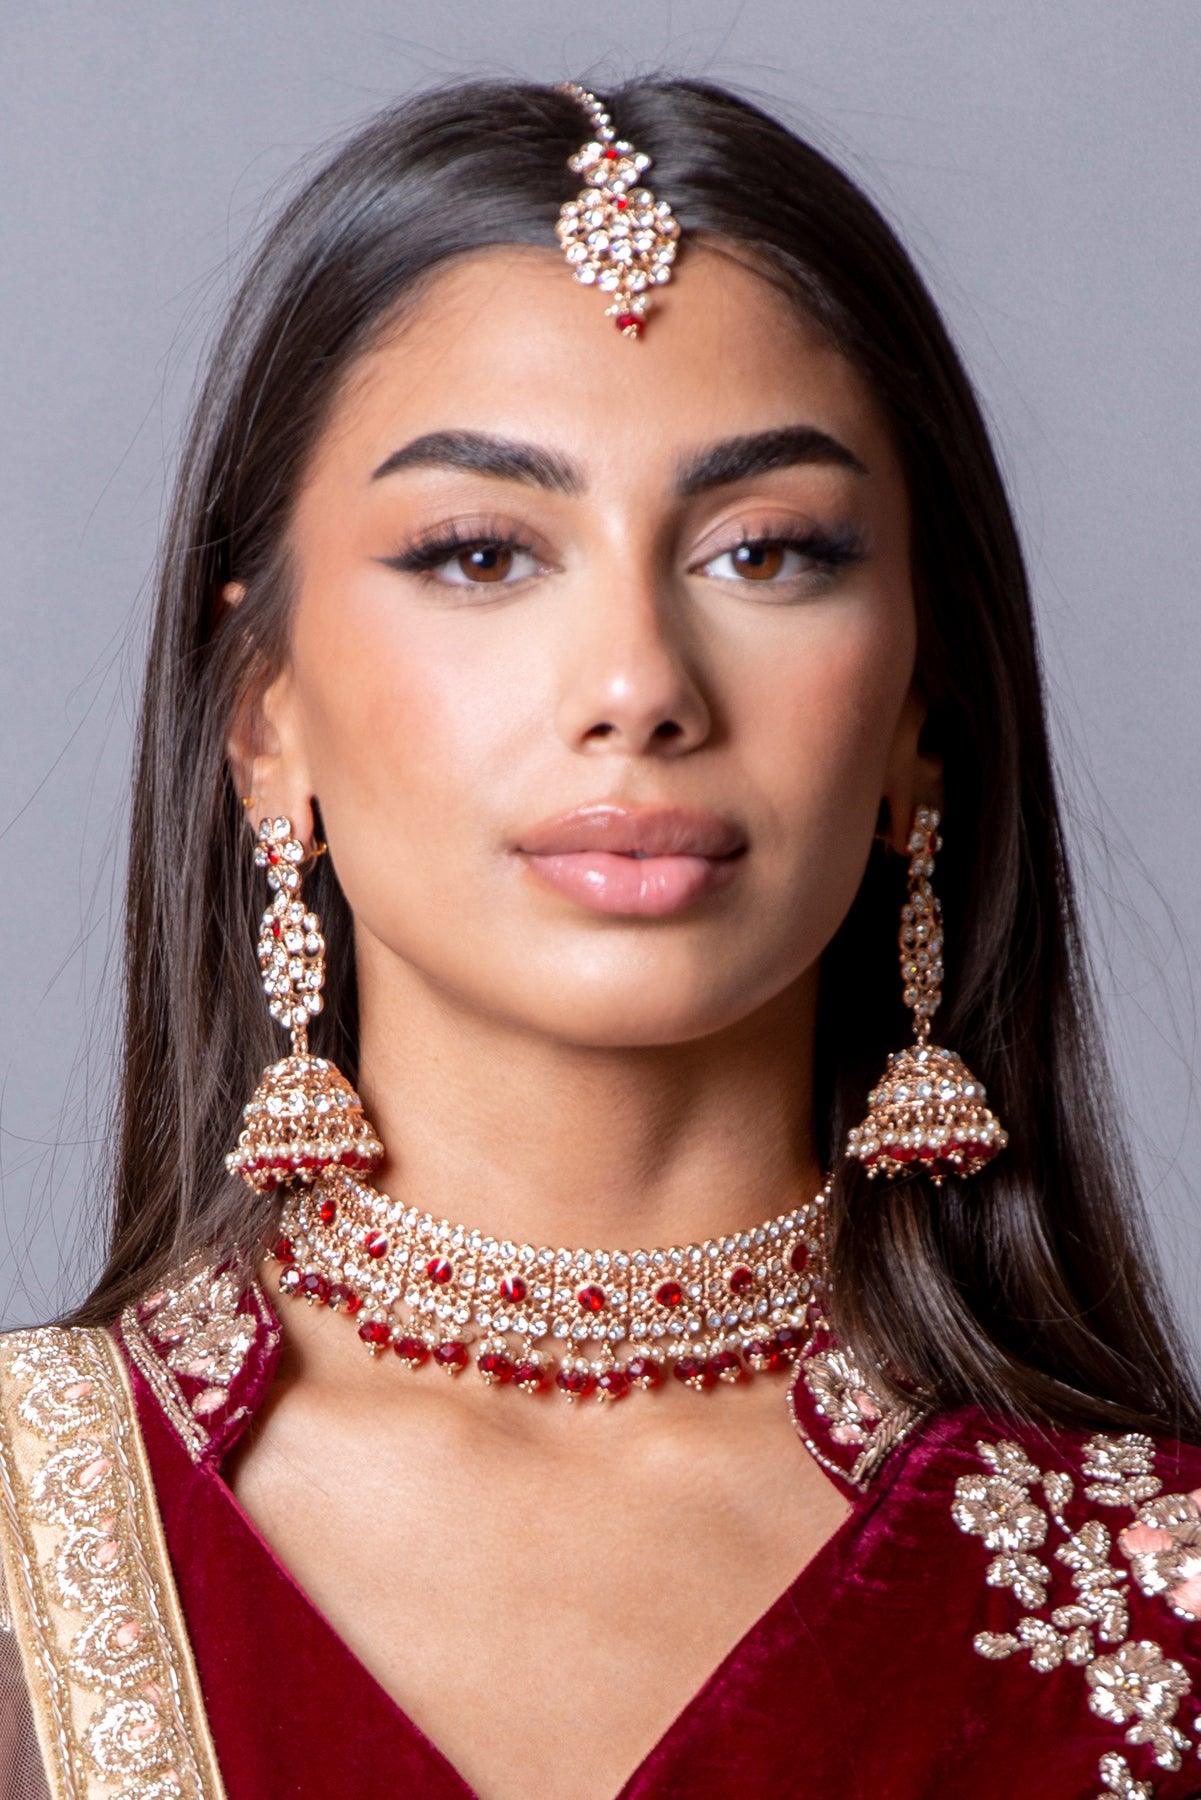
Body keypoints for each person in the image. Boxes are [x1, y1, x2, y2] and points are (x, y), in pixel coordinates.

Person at [1, 70, 1199, 1800]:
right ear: (262, 717)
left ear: (917, 717)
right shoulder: (42, 1535)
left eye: (764, 553)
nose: (637, 685)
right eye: (484, 554)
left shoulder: (1152, 1603)